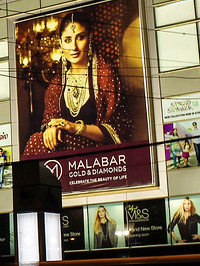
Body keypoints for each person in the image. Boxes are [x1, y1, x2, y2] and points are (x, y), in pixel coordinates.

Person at [22, 12, 130, 157]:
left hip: (101, 158)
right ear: (60, 43)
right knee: (37, 140)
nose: (73, 47)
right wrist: (51, 129)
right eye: (67, 40)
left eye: (80, 37)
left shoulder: (104, 75)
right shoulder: (56, 85)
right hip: (68, 157)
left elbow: (117, 130)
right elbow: (49, 121)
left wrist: (75, 127)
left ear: (90, 38)